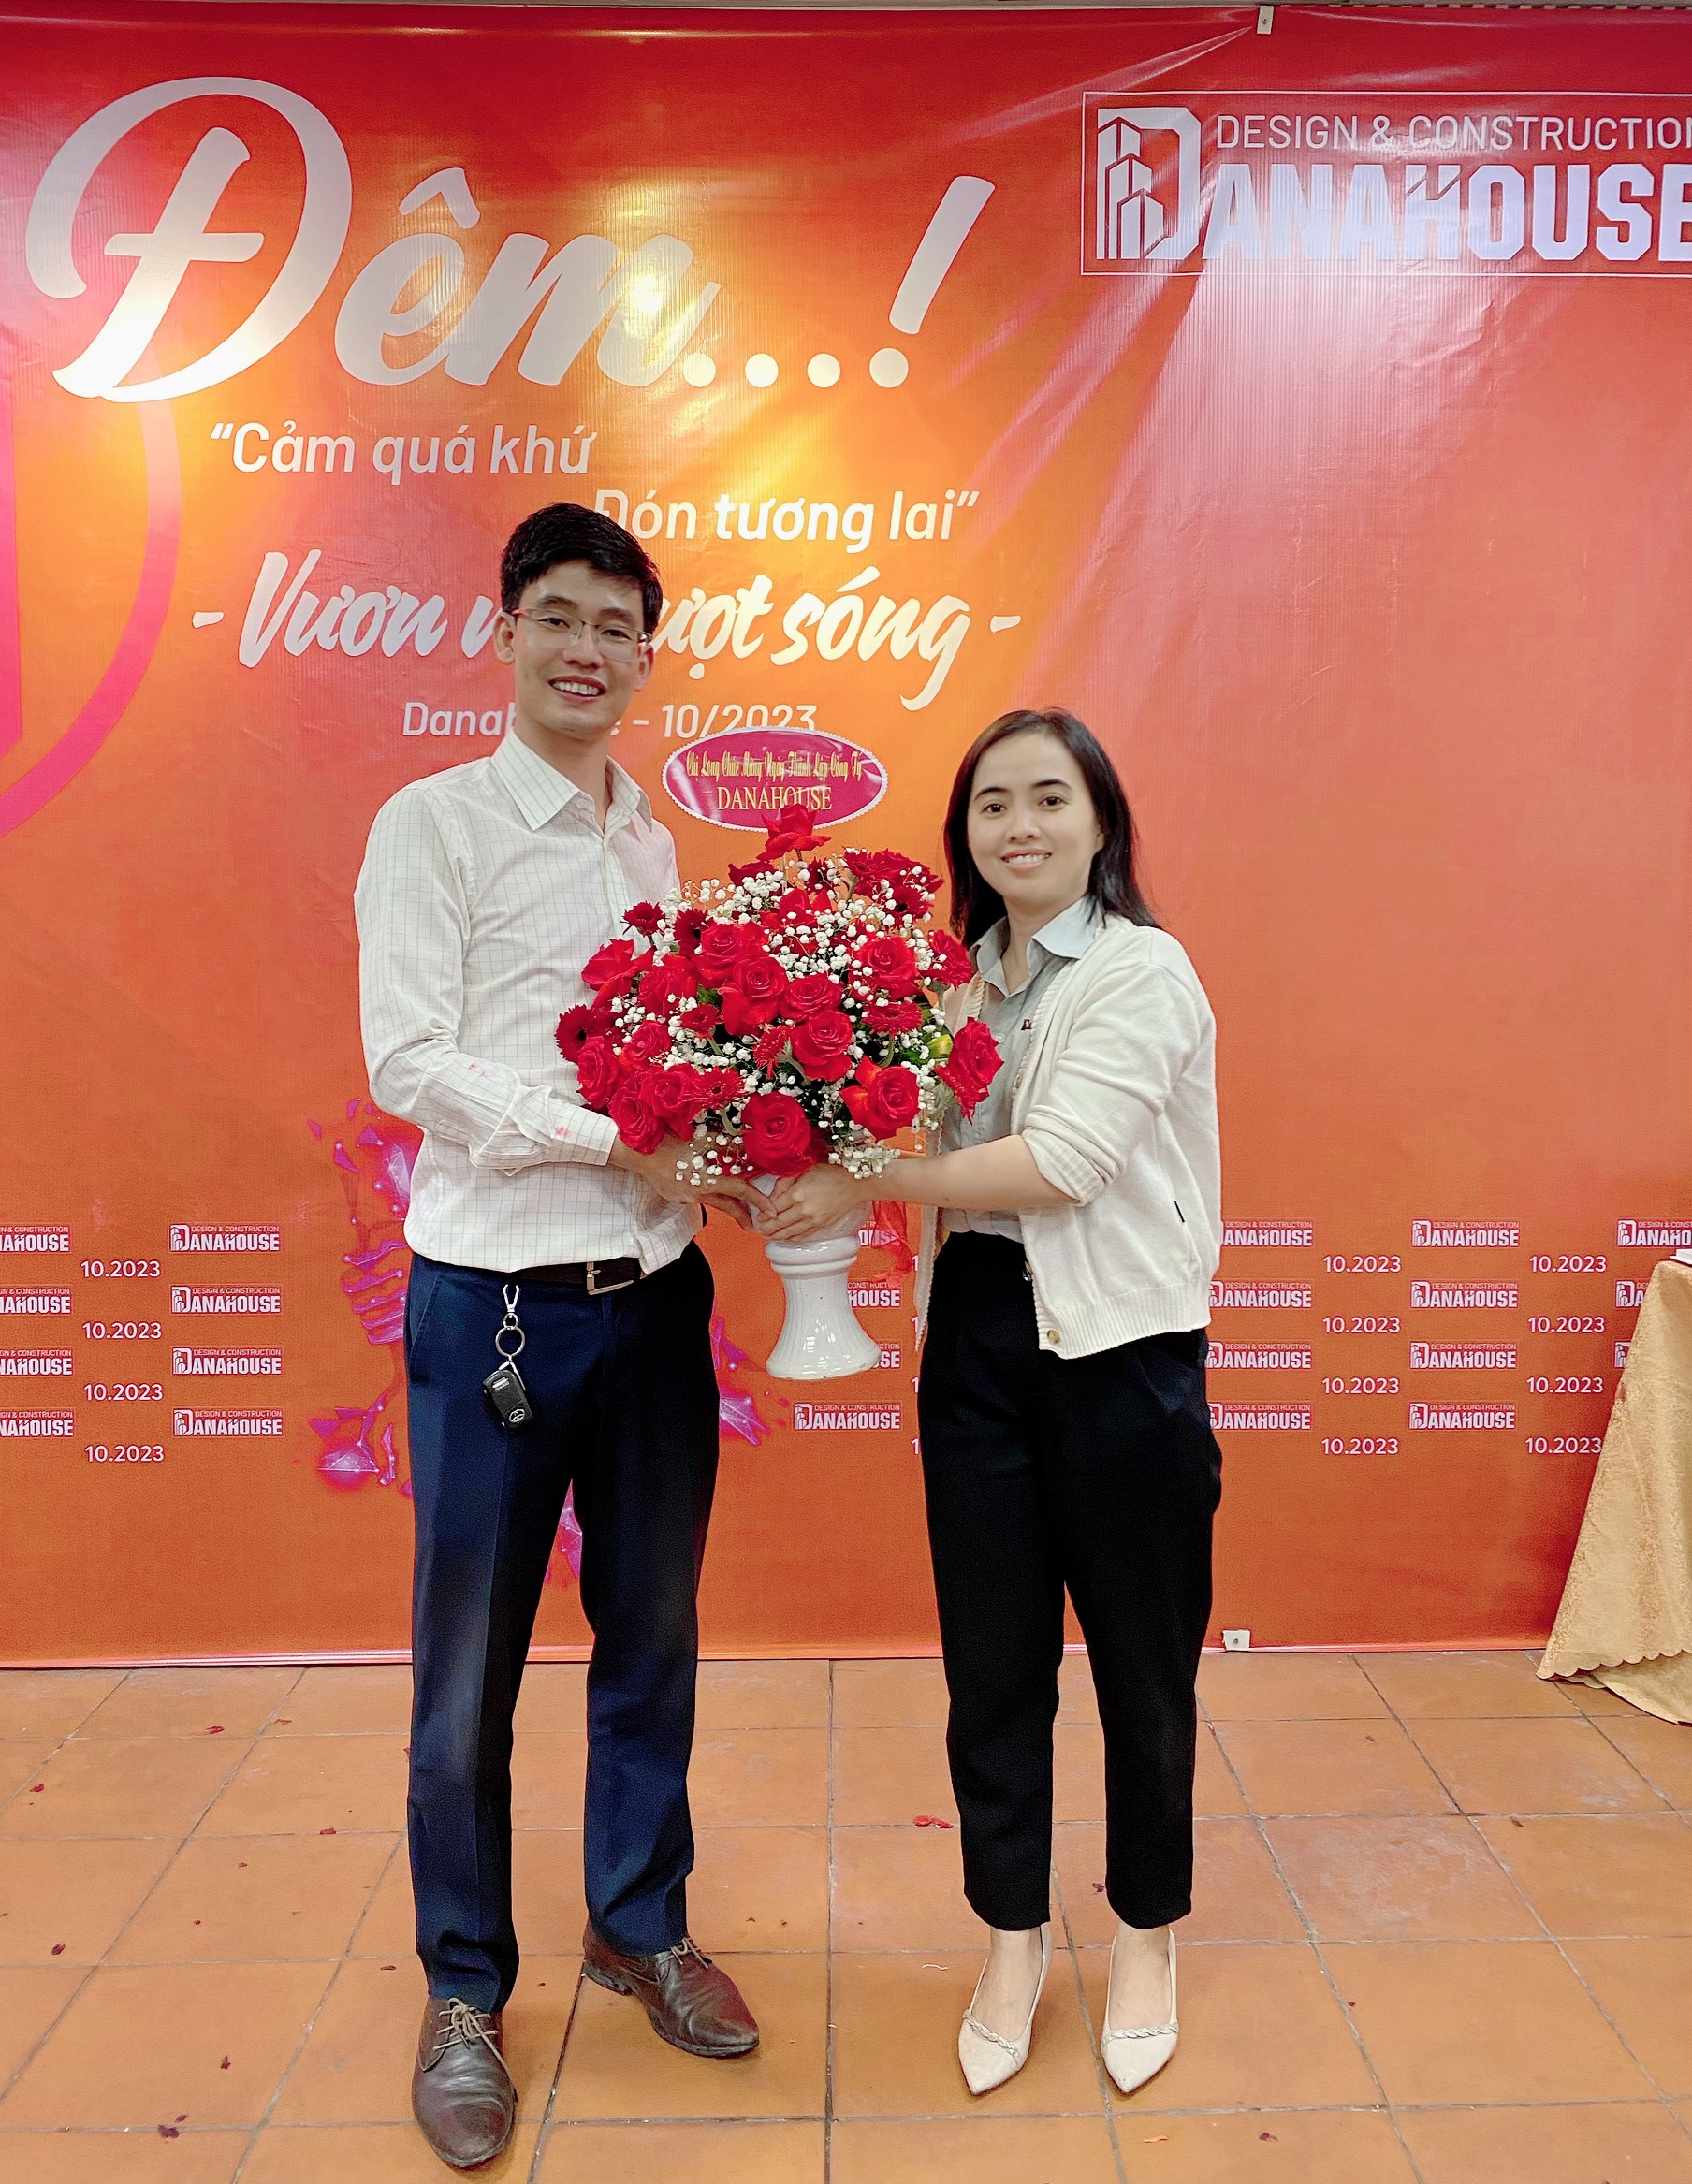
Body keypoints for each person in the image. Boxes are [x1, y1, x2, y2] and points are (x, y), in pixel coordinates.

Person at [356, 503, 758, 2173]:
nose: (589, 650)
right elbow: (407, 1057)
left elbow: (666, 1054)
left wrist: (737, 1138)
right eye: (561, 617)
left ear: (647, 658)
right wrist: (618, 1145)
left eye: (618, 628)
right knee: (469, 1671)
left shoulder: (650, 838)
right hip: (495, 1308)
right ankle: (464, 1987)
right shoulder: (433, 823)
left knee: (652, 1633)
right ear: (506, 631)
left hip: (655, 1302)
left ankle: (636, 1919)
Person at [763, 706, 1221, 2097]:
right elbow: (899, 1129)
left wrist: (862, 1181)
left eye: (1048, 798)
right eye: (992, 805)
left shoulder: (1143, 971)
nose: (1020, 826)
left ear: (1101, 821)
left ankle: (1145, 1936)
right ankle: (1012, 1938)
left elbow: (1065, 1162)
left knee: (1143, 1670)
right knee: (994, 1668)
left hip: (1119, 1352)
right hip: (974, 1342)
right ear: (966, 834)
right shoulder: (950, 985)